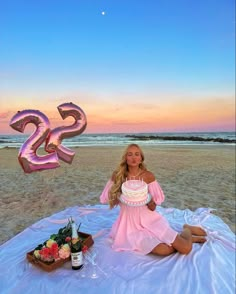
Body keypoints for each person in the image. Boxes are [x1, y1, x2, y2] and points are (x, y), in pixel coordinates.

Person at [100, 143, 207, 256]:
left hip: (150, 220)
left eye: (137, 154)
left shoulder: (148, 176)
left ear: (141, 158)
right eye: (130, 154)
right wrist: (118, 195)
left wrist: (150, 202)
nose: (133, 158)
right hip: (129, 226)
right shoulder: (118, 175)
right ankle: (185, 238)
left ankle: (187, 230)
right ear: (125, 158)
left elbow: (153, 206)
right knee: (165, 250)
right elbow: (108, 198)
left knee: (185, 249)